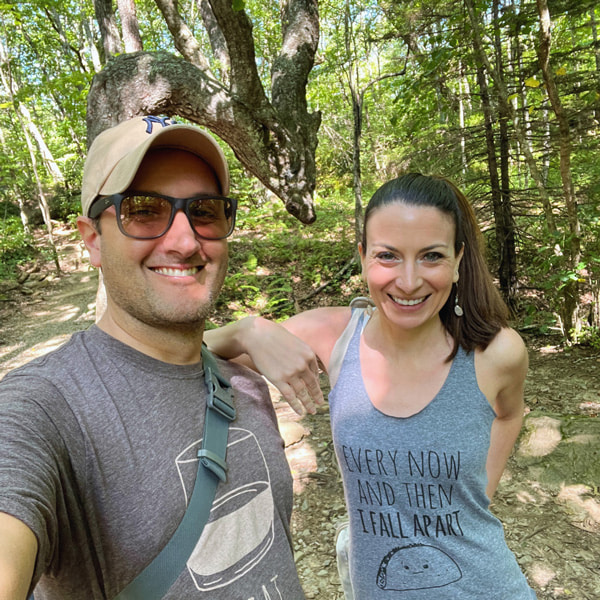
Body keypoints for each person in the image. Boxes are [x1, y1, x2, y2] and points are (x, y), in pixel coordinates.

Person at [0, 115, 319, 600]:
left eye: (205, 211)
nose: (186, 241)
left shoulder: (244, 385)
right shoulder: (42, 411)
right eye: (144, 210)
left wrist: (244, 331)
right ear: (92, 239)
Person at [205, 173, 537, 599]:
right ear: (363, 257)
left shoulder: (497, 353)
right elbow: (175, 354)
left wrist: (475, 496)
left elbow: (509, 414)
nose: (409, 280)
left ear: (458, 260)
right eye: (388, 256)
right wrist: (246, 330)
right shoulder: (332, 335)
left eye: (432, 256)